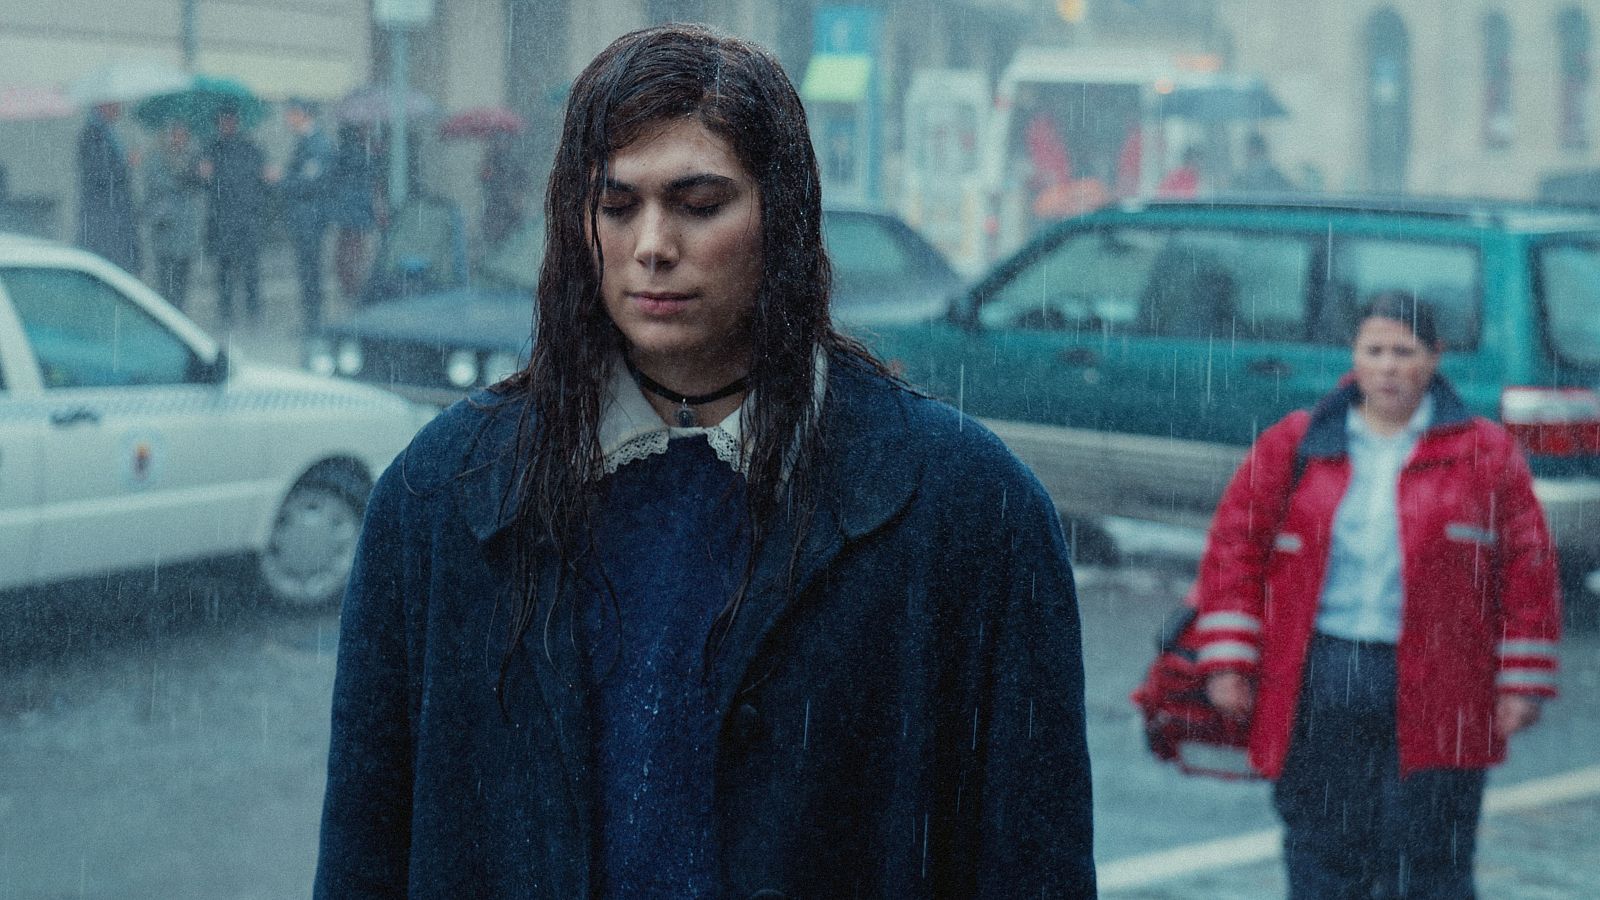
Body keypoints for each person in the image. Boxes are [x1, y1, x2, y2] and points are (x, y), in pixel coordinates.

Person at [314, 24, 1096, 899]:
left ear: (783, 218)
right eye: (618, 205)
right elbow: (365, 847)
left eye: (698, 203)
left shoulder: (967, 509)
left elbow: (1032, 861)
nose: (652, 243)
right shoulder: (439, 495)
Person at [1193, 291, 1560, 898]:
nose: (1389, 366)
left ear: (1435, 358)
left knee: (1430, 851)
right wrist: (1229, 661)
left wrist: (1520, 682)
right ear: (1354, 357)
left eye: (1405, 351)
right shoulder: (1297, 443)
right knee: (1321, 844)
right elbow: (1235, 551)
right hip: (1321, 674)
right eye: (1375, 350)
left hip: (1446, 678)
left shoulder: (1485, 454)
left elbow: (1528, 571)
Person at [203, 106, 268, 326]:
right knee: (224, 270)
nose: (227, 125)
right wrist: (202, 174)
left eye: (230, 121)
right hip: (221, 218)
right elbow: (200, 181)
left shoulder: (250, 148)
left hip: (246, 218)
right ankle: (225, 310)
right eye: (223, 122)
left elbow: (262, 182)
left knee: (251, 268)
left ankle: (253, 309)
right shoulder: (211, 149)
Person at [278, 98, 336, 330]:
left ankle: (313, 322)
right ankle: (310, 320)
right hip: (305, 218)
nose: (287, 119)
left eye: (290, 114)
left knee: (311, 271)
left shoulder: (317, 144)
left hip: (311, 218)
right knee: (307, 271)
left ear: (302, 114)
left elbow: (310, 182)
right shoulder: (307, 142)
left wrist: (283, 179)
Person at [141, 122, 207, 310]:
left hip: (185, 229)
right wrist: (187, 176)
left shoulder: (193, 158)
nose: (179, 139)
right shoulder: (157, 158)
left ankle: (179, 311)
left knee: (182, 277)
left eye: (183, 135)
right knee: (165, 276)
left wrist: (201, 175)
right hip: (166, 227)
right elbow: (158, 184)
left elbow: (197, 188)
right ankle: (166, 312)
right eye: (176, 135)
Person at [76, 102, 141, 274]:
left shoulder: (106, 133)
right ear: (103, 106)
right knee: (110, 268)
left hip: (111, 215)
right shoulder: (94, 134)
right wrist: (125, 164)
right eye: (115, 105)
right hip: (105, 218)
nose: (119, 109)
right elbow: (99, 174)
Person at [329, 123, 378, 302]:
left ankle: (350, 284)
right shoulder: (360, 153)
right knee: (355, 247)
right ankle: (353, 285)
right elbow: (371, 178)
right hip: (357, 205)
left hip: (348, 205)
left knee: (347, 246)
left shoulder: (343, 152)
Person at [477, 132, 528, 248]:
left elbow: (522, 182)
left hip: (508, 209)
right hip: (494, 208)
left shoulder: (512, 161)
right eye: (498, 141)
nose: (501, 144)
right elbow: (484, 182)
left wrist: (517, 199)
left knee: (511, 240)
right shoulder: (489, 161)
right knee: (494, 241)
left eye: (504, 141)